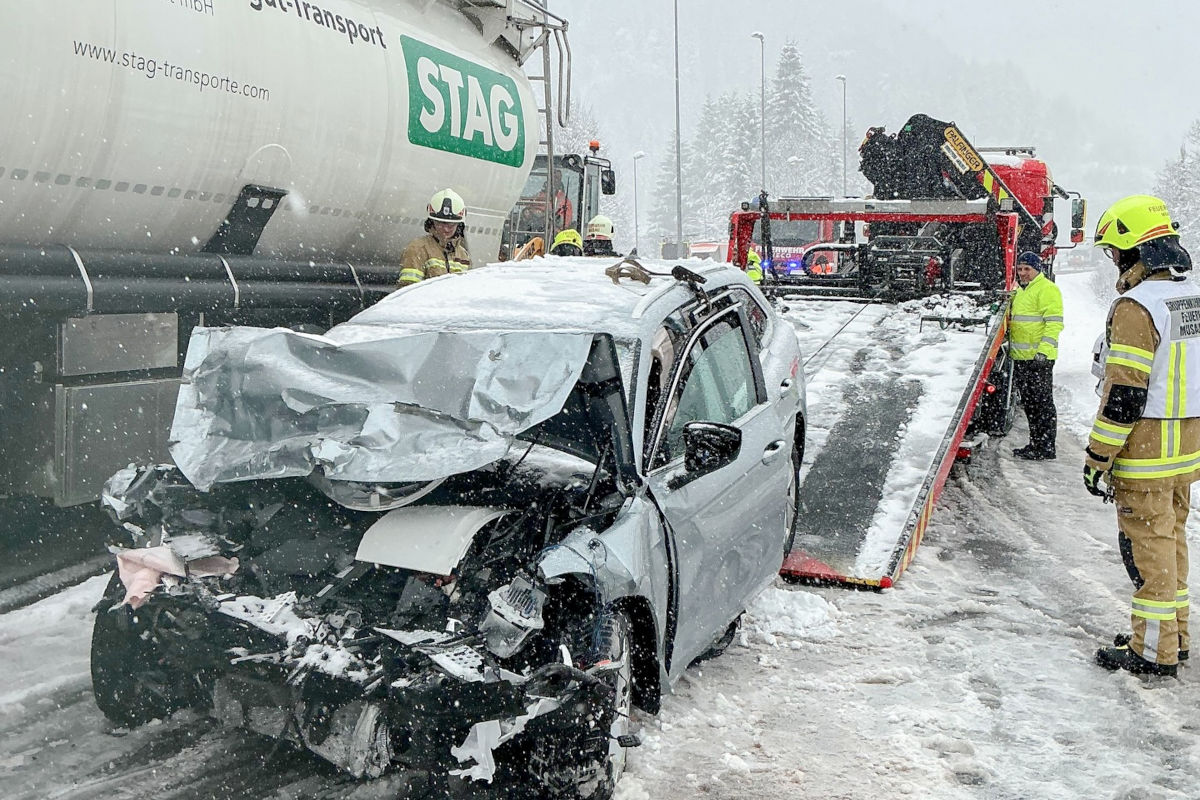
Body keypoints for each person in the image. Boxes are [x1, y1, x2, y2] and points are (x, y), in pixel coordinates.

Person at [1085, 194, 1198, 678]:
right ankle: (1175, 636)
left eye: (1115, 251)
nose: (1114, 261)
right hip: (1185, 450)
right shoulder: (1190, 296)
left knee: (1146, 553)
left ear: (1134, 250)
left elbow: (1124, 398)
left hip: (1147, 451)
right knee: (1171, 543)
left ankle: (1152, 653)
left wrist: (1097, 455)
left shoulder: (1135, 306)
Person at [1009, 250, 1064, 459]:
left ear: (1037, 269)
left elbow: (1054, 324)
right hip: (1022, 358)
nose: (1023, 273)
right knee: (1031, 405)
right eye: (1020, 269)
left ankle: (1046, 447)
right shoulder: (1021, 290)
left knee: (1042, 405)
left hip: (1039, 359)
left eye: (1027, 269)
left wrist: (1043, 353)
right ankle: (1036, 444)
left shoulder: (1047, 290)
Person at [398, 188, 471, 287]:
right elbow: (408, 290)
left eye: (451, 224)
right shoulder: (417, 249)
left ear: (459, 225)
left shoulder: (463, 255)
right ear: (431, 223)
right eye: (440, 223)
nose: (446, 229)